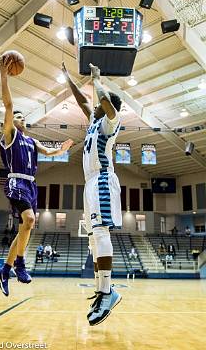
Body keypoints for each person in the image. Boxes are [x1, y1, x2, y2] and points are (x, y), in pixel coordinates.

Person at [0, 54, 73, 297]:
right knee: (29, 222)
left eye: (24, 117)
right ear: (11, 122)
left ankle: (5, 270)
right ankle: (19, 264)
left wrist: (60, 149)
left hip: (31, 186)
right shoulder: (10, 135)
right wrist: (4, 77)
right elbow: (8, 105)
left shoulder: (30, 139)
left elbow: (48, 150)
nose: (22, 119)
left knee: (24, 228)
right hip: (16, 180)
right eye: (19, 117)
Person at [63, 62, 122, 326]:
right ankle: (101, 291)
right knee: (92, 240)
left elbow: (105, 102)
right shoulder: (93, 122)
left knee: (100, 233)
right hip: (89, 184)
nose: (94, 105)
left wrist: (98, 80)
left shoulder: (111, 121)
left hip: (102, 181)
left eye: (99, 103)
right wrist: (68, 79)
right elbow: (80, 100)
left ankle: (108, 292)